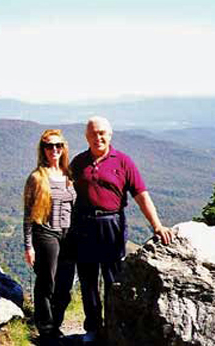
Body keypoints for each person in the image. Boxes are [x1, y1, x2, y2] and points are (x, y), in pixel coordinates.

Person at [70, 116, 175, 343]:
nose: (97, 137)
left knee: (113, 281)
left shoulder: (123, 162)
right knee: (88, 281)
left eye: (102, 133)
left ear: (110, 135)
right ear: (86, 137)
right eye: (92, 134)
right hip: (84, 225)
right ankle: (93, 328)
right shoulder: (78, 162)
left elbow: (141, 195)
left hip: (112, 226)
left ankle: (114, 326)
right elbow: (64, 193)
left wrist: (156, 225)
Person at [23, 129, 77, 345]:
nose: (54, 149)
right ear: (42, 149)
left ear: (64, 148)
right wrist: (28, 245)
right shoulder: (37, 177)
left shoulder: (69, 174)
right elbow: (28, 214)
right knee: (47, 282)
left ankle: (56, 326)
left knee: (65, 284)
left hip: (69, 235)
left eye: (58, 145)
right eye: (49, 145)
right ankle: (45, 330)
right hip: (45, 233)